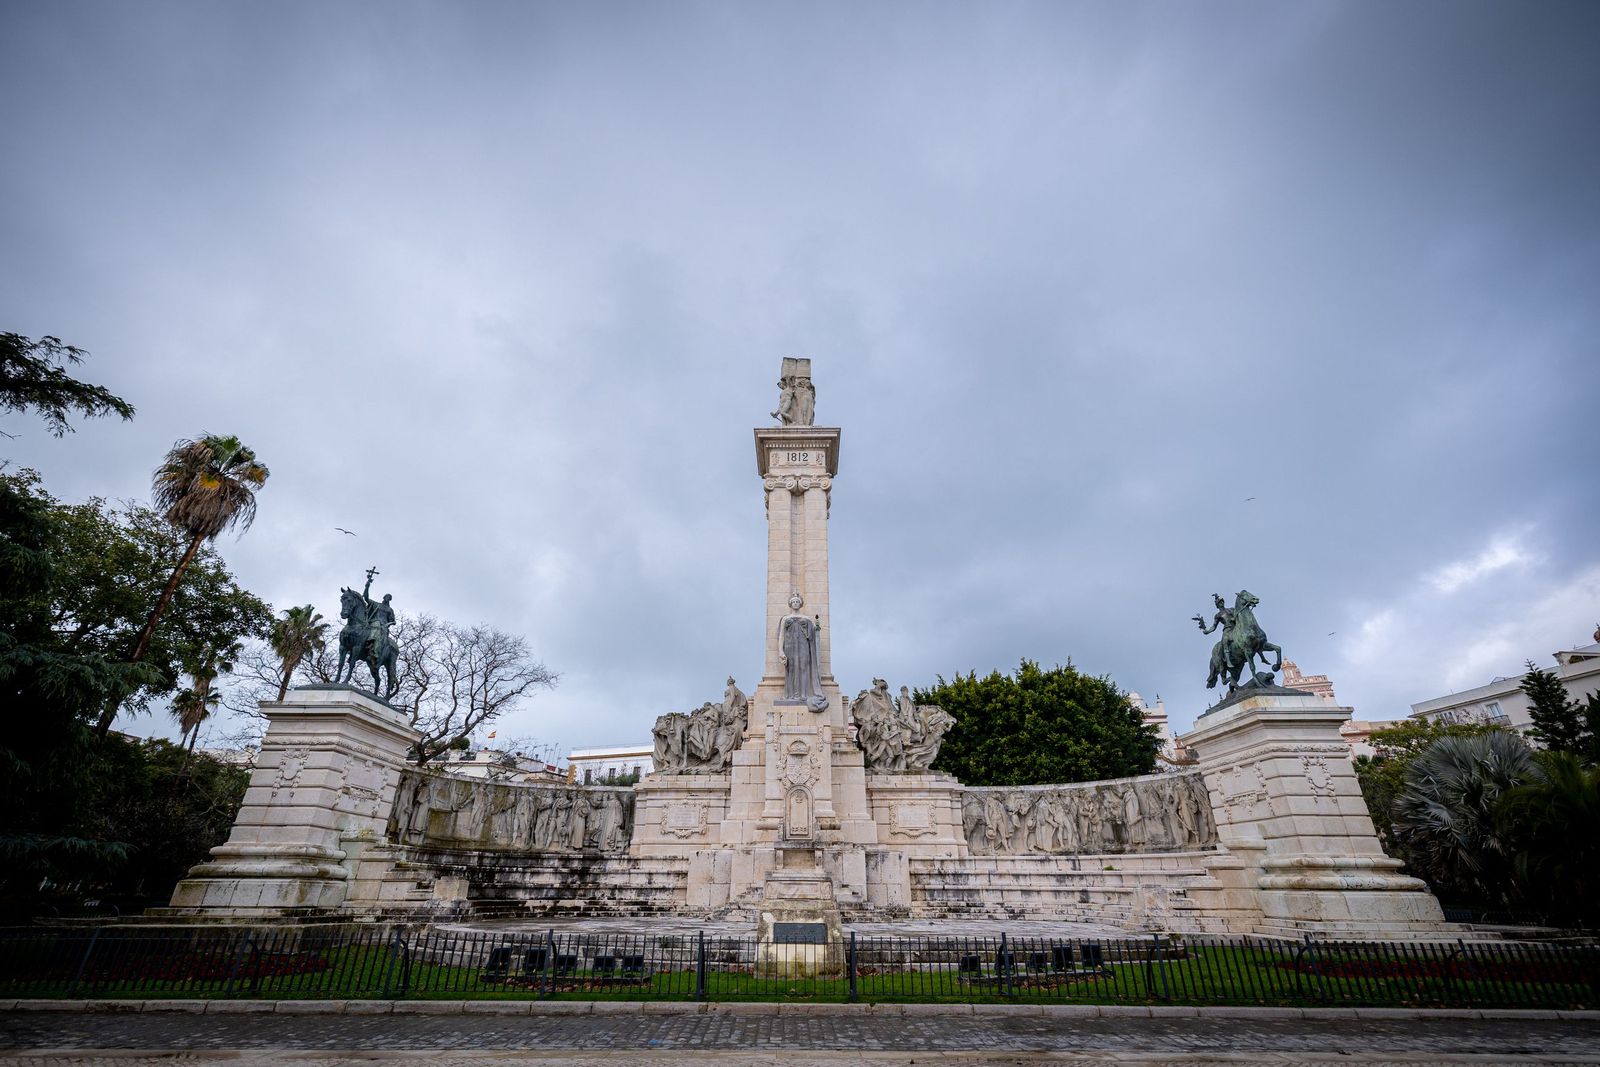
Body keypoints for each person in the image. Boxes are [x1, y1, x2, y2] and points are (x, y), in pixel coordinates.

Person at [777, 593, 827, 710]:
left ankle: (804, 695)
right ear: (790, 604)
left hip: (804, 647)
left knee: (804, 668)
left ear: (800, 604)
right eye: (793, 601)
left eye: (797, 601)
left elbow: (812, 635)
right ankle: (790, 695)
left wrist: (815, 629)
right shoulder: (785, 619)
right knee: (791, 669)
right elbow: (781, 636)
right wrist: (780, 651)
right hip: (789, 647)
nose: (795, 603)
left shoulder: (807, 619)